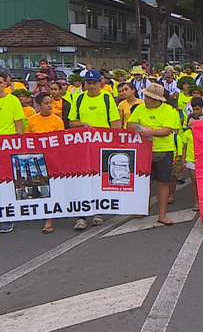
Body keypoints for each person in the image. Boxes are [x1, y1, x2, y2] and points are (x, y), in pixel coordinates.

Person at [68, 69, 121, 230]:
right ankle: (82, 215)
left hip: (102, 146)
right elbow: (71, 122)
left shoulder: (107, 98)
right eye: (88, 83)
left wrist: (116, 144)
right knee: (82, 179)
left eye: (94, 83)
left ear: (100, 84)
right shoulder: (78, 99)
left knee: (99, 179)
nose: (91, 86)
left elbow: (115, 123)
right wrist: (83, 125)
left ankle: (98, 211)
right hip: (83, 147)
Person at [128, 83, 181, 225]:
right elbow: (130, 124)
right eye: (145, 96)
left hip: (163, 150)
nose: (145, 99)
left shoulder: (168, 110)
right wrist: (143, 128)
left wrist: (151, 132)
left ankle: (162, 214)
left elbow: (167, 130)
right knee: (143, 180)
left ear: (157, 99)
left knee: (162, 183)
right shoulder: (140, 108)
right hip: (143, 149)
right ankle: (144, 205)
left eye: (148, 97)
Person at [26, 91, 65, 233]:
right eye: (46, 103)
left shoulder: (57, 121)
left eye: (51, 103)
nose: (50, 106)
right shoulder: (32, 120)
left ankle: (50, 219)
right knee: (42, 189)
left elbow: (61, 143)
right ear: (38, 105)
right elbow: (28, 140)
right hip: (37, 160)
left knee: (53, 189)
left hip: (53, 159)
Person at [0, 71, 24, 233]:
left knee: (7, 183)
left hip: (7, 147)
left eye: (0, 82)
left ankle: (8, 217)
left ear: (5, 84)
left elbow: (19, 128)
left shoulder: (13, 100)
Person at [180, 113, 202, 211]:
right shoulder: (186, 134)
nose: (191, 122)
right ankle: (196, 202)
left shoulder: (202, 133)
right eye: (190, 120)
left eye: (193, 120)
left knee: (202, 182)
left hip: (201, 160)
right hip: (190, 160)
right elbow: (184, 148)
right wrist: (183, 161)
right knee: (194, 181)